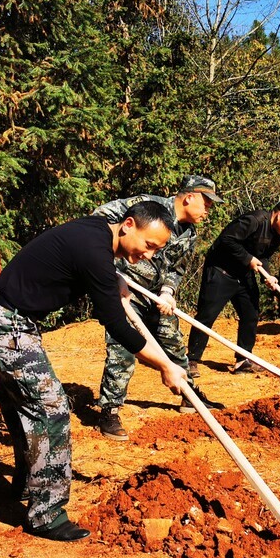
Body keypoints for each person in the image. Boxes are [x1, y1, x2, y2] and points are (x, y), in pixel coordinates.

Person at [0, 202, 188, 542]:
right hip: (5, 323)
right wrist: (165, 366)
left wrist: (116, 282)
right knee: (51, 410)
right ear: (128, 225)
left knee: (23, 407)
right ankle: (46, 515)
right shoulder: (94, 252)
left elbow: (88, 266)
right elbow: (117, 324)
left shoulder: (97, 233)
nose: (149, 255)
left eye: (157, 250)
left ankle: (28, 485)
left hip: (0, 316)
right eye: (149, 245)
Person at [91, 175, 222, 441]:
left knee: (174, 344)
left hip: (156, 299)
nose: (208, 210)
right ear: (189, 197)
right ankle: (110, 410)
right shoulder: (146, 206)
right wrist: (110, 270)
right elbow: (97, 219)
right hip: (124, 292)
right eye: (206, 203)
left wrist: (168, 291)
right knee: (123, 350)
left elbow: (177, 269)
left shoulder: (190, 234)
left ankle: (188, 394)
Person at [187, 199, 280, 375]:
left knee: (250, 314)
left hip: (243, 275)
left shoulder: (278, 234)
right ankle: (192, 360)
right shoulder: (254, 220)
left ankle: (243, 359)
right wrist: (248, 259)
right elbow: (227, 240)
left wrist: (269, 275)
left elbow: (264, 257)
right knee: (207, 315)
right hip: (221, 271)